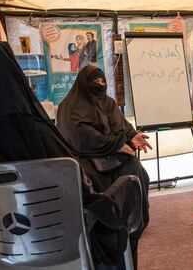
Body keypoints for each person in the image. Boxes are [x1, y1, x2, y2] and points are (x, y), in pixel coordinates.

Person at [0, 38, 138, 270]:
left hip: (5, 246)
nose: (100, 84)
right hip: (65, 236)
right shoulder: (32, 129)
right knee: (130, 183)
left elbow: (119, 127)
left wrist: (123, 139)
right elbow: (72, 178)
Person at [57, 65, 152, 269]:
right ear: (83, 83)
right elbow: (79, 135)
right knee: (102, 210)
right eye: (96, 82)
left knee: (138, 175)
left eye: (103, 82)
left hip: (117, 160)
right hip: (86, 163)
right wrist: (115, 144)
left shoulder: (107, 102)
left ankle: (132, 229)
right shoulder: (69, 107)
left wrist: (131, 136)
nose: (100, 85)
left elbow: (122, 128)